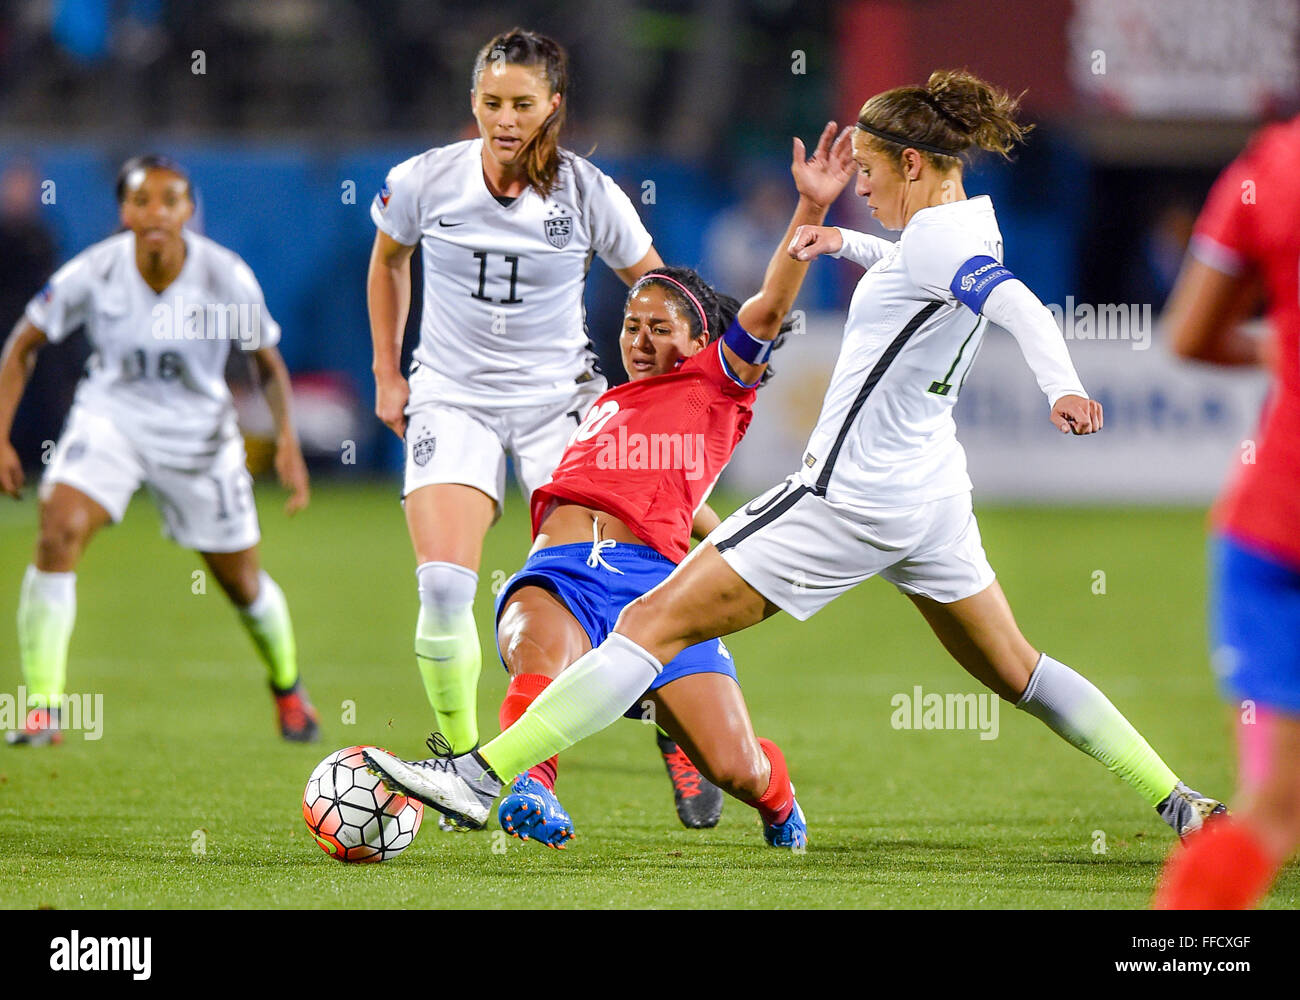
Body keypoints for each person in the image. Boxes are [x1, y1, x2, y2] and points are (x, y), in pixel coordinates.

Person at [362, 70, 1226, 847]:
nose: (869, 195)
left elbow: (1019, 307)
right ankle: (1179, 799)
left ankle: (479, 777)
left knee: (644, 628)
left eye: (875, 179)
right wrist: (843, 243)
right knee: (1020, 670)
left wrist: (1062, 386)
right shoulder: (967, 226)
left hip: (844, 500)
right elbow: (925, 269)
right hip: (931, 501)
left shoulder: (940, 245)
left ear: (915, 166)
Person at [405, 120, 850, 849]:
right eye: (632, 324)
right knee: (532, 649)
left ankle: (777, 799)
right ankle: (532, 789)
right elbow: (679, 499)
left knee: (735, 767)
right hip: (563, 568)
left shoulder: (717, 383)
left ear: (704, 337)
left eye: (660, 327)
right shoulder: (607, 402)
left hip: (657, 587)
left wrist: (809, 210)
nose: (639, 340)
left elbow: (767, 306)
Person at [365, 28, 723, 829]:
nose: (505, 118)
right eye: (491, 102)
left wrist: (672, 386)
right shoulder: (423, 181)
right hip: (451, 398)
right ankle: (462, 768)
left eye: (522, 104)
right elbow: (388, 261)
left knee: (636, 576)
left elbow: (660, 289)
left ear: (553, 105)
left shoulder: (589, 193)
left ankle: (670, 714)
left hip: (561, 403)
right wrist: (389, 373)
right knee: (446, 587)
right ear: (473, 101)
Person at [0, 154, 317, 745]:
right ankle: (44, 707)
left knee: (240, 582)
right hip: (111, 422)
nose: (155, 213)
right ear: (124, 210)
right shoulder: (94, 271)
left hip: (200, 438)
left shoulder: (225, 275)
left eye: (169, 201)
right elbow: (23, 343)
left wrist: (288, 445)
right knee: (57, 528)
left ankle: (288, 688)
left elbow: (266, 362)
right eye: (141, 200)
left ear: (188, 211)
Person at [1154, 114, 1300, 909]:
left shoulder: (1272, 167)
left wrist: (1274, 345)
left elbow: (1190, 335)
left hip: (1272, 528)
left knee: (1274, 815)